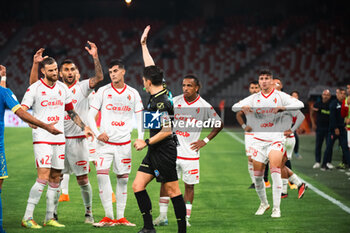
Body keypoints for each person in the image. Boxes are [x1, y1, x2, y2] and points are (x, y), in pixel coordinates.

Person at [28, 42, 103, 223]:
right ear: (60, 73)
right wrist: (36, 64)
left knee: (83, 179)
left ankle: (88, 213)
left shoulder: (83, 86)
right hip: (57, 139)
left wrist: (95, 57)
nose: (70, 72)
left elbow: (99, 77)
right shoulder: (56, 88)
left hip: (78, 140)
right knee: (56, 179)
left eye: (73, 69)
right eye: (66, 70)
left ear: (76, 71)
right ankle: (52, 214)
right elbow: (33, 86)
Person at [132, 25, 186, 233]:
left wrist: (144, 142)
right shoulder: (161, 90)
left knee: (173, 190)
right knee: (138, 185)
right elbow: (151, 67)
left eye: (143, 81)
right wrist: (144, 45)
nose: (143, 83)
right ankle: (148, 228)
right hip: (155, 151)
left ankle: (182, 231)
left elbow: (166, 130)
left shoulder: (161, 101)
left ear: (147, 82)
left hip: (164, 150)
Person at [153, 74, 223, 227]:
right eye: (183, 85)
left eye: (189, 86)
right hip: (172, 152)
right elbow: (164, 117)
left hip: (190, 154)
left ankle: (185, 218)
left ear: (197, 88)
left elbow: (219, 124)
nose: (185, 88)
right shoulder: (175, 101)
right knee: (165, 183)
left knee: (189, 186)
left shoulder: (204, 106)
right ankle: (163, 216)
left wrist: (204, 141)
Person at [232, 69, 304, 218]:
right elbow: (234, 107)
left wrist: (283, 108)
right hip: (258, 141)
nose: (264, 81)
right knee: (258, 176)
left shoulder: (281, 96)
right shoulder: (254, 98)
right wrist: (243, 108)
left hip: (276, 139)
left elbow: (300, 105)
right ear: (259, 82)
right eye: (261, 79)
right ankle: (264, 203)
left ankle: (276, 208)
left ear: (271, 81)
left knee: (275, 168)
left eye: (266, 78)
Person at [0, 65, 62, 233]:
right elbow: (21, 109)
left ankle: (49, 217)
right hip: (40, 136)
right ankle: (23, 218)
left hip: (57, 138)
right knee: (42, 176)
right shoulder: (7, 92)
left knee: (56, 175)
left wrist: (3, 78)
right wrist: (43, 125)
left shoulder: (61, 88)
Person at [88, 59, 144, 227]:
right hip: (105, 144)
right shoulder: (103, 92)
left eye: (115, 71)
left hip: (124, 144)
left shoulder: (133, 93)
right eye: (110, 72)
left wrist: (140, 137)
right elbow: (91, 116)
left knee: (123, 180)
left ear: (123, 72)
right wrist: (97, 134)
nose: (112, 74)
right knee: (101, 175)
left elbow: (140, 117)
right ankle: (108, 216)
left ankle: (120, 217)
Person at [235, 81, 260, 189]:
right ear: (249, 89)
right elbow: (238, 115)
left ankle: (264, 181)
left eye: (256, 87)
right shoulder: (246, 102)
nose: (254, 89)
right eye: (252, 88)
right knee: (250, 159)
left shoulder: (265, 101)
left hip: (262, 134)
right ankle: (255, 182)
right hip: (250, 134)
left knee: (262, 159)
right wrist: (244, 127)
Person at [321, 88, 350, 170]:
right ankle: (324, 164)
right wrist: (335, 128)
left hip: (343, 129)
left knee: (345, 148)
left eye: (344, 94)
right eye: (342, 93)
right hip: (333, 130)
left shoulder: (346, 103)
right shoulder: (333, 104)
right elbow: (332, 118)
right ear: (338, 94)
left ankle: (348, 164)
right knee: (329, 147)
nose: (343, 95)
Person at [310, 89, 331, 169]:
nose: (325, 96)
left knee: (329, 146)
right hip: (319, 128)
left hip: (329, 128)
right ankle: (317, 162)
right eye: (324, 94)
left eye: (327, 95)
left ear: (329, 96)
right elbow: (311, 113)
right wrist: (313, 123)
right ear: (322, 95)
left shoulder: (331, 104)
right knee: (318, 145)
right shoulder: (317, 104)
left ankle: (328, 162)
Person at [339, 84, 350, 169]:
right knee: (347, 147)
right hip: (347, 128)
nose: (348, 90)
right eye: (347, 88)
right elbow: (343, 115)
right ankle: (345, 162)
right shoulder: (345, 101)